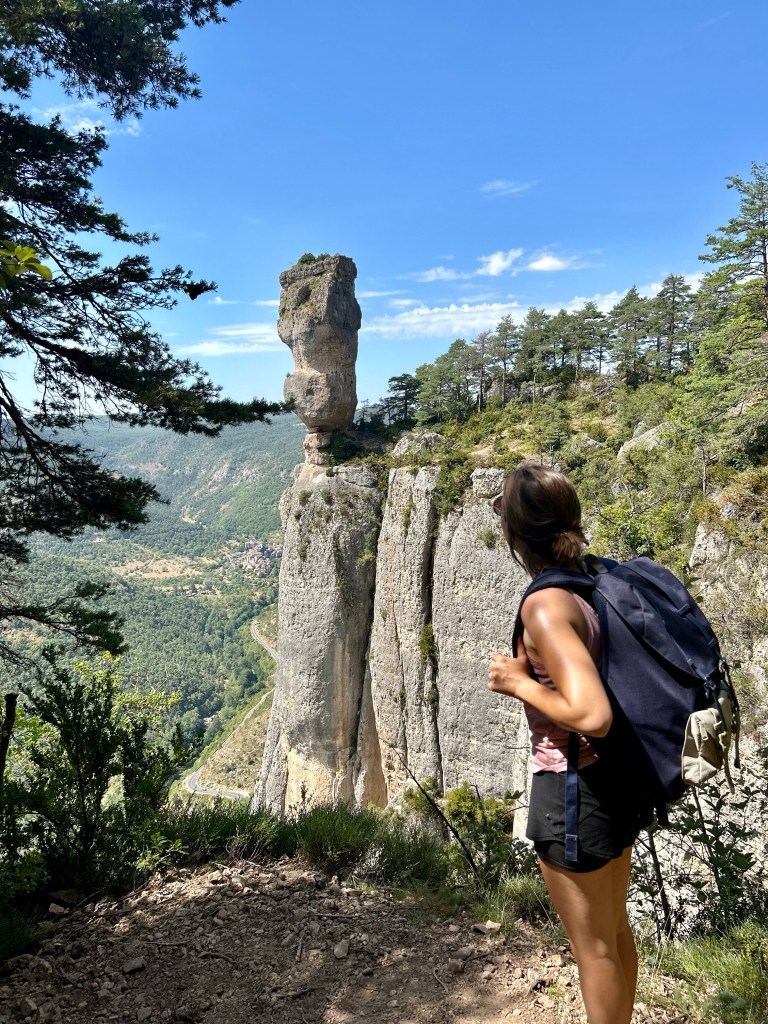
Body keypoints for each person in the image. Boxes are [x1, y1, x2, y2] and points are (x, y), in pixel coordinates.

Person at [487, 463, 653, 1024]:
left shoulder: (544, 605)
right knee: (613, 930)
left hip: (573, 787)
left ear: (515, 530)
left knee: (594, 949)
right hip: (613, 781)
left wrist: (519, 683)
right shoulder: (586, 579)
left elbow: (591, 713)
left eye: (499, 507)